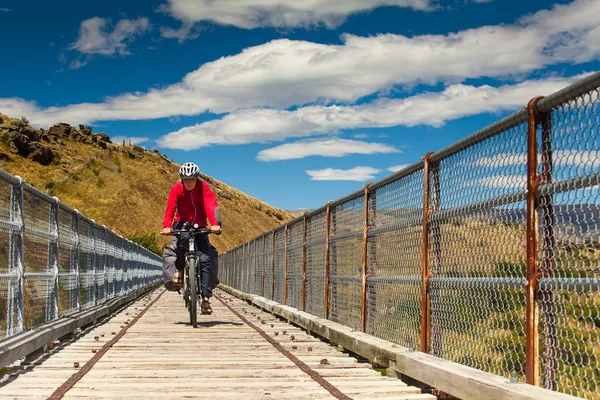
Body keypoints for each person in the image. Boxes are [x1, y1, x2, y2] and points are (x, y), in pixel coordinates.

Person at [160, 162, 221, 314]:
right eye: (186, 180)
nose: (189, 183)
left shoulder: (204, 188)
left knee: (205, 259)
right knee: (182, 243)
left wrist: (215, 224)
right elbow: (171, 208)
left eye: (192, 180)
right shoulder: (176, 189)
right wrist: (166, 226)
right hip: (181, 223)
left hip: (200, 224)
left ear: (196, 178)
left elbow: (210, 205)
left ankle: (206, 299)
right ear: (181, 179)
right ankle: (180, 271)